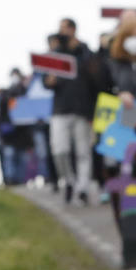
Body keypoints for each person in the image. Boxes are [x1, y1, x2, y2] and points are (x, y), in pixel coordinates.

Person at [44, 17, 99, 205]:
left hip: (82, 109)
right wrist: (49, 79)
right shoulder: (55, 53)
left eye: (66, 28)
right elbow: (46, 81)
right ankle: (68, 180)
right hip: (60, 109)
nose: (63, 32)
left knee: (83, 151)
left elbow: (95, 75)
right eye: (60, 28)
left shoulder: (84, 51)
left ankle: (83, 188)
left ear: (74, 30)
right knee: (60, 150)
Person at [0, 68, 27, 185]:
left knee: (20, 158)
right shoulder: (5, 96)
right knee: (9, 156)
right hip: (7, 134)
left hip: (21, 134)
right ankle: (10, 180)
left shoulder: (25, 93)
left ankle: (20, 181)